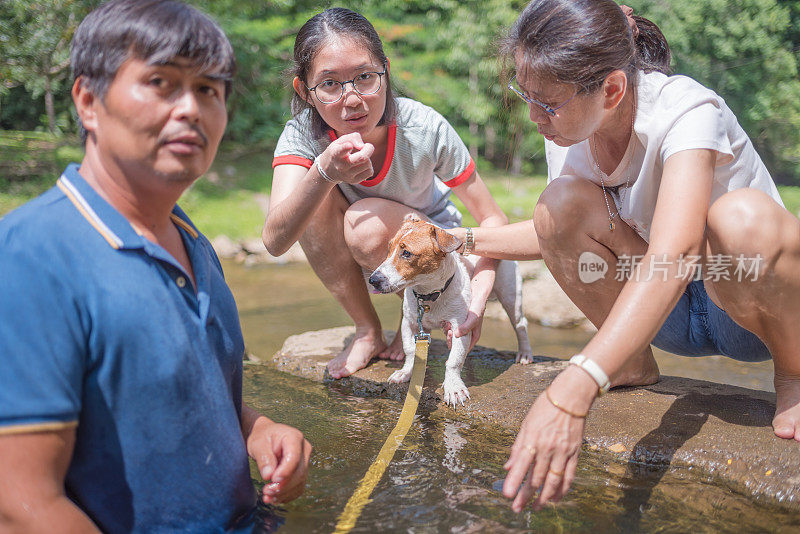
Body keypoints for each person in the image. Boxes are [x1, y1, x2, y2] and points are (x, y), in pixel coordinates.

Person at [445, 0, 800, 513]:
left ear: (611, 89)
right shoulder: (569, 126)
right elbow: (557, 230)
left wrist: (577, 384)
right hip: (663, 312)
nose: (534, 116)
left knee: (740, 218)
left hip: (748, 308)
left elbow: (674, 255)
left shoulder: (685, 109)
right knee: (559, 202)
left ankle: (793, 373)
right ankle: (628, 363)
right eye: (526, 96)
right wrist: (459, 240)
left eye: (548, 103)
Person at [0, 1, 311, 531]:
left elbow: (179, 392)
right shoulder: (33, 256)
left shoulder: (189, 237)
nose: (190, 107)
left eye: (209, 89)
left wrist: (256, 429)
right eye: (161, 82)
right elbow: (21, 503)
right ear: (88, 101)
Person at [262, 8, 509, 379]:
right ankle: (367, 330)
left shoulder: (423, 128)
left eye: (364, 77)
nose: (352, 99)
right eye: (330, 84)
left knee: (364, 225)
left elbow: (494, 219)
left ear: (386, 72)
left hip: (430, 249)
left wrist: (477, 295)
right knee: (311, 197)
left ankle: (410, 318)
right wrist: (324, 172)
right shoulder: (302, 135)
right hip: (368, 254)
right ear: (305, 91)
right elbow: (275, 240)